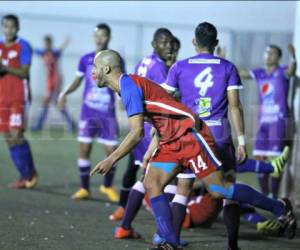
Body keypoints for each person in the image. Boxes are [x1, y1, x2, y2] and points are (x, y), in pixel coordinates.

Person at [90, 49, 296, 250]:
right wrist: (154, 146)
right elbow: (159, 115)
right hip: (170, 140)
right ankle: (169, 241)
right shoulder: (126, 86)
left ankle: (279, 207)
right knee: (152, 183)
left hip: (190, 136)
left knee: (219, 190)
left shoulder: (128, 86)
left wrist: (111, 159)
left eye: (95, 67)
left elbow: (136, 133)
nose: (93, 72)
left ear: (106, 69)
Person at [110, 28, 174, 225]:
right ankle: (160, 221)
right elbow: (167, 98)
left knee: (134, 167)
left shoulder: (142, 62)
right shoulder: (160, 67)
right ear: (154, 44)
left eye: (171, 42)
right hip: (152, 126)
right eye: (164, 42)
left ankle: (123, 209)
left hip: (138, 122)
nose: (169, 46)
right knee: (160, 174)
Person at [57, 23, 120, 202]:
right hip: (88, 112)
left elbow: (120, 81)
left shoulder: (115, 60)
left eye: (104, 36)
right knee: (85, 149)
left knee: (112, 151)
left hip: (107, 114)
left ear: (109, 37)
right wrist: (64, 93)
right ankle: (84, 188)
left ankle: (107, 186)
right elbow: (77, 81)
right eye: (97, 35)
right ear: (94, 37)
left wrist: (124, 99)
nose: (100, 39)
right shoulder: (86, 59)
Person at [238, 44, 297, 199]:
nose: (268, 55)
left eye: (272, 53)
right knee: (259, 157)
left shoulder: (282, 72)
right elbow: (240, 73)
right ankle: (266, 195)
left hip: (278, 123)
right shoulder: (260, 73)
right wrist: (220, 60)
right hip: (263, 124)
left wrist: (293, 57)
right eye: (266, 52)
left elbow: (291, 70)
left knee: (276, 161)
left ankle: (274, 195)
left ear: (278, 57)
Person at [0, 14, 38, 188]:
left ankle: (31, 174)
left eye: (12, 26)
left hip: (18, 98)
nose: (9, 29)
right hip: (2, 98)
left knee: (17, 135)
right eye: (6, 26)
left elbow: (24, 72)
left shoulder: (23, 46)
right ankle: (25, 176)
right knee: (8, 137)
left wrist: (4, 68)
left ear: (18, 28)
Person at [32, 35, 76, 132]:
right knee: (53, 103)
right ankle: (72, 124)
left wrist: (66, 41)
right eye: (45, 43)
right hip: (49, 81)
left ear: (51, 44)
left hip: (55, 81)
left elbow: (61, 49)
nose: (47, 45)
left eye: (48, 43)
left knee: (51, 103)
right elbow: (34, 50)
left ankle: (39, 125)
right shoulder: (43, 53)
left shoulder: (54, 53)